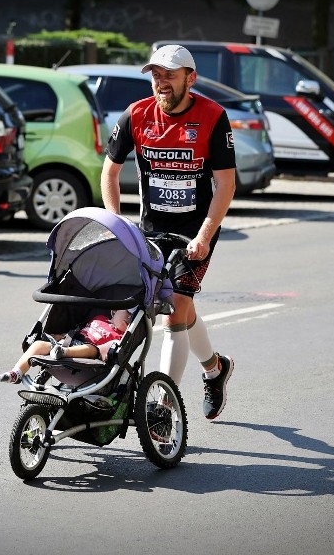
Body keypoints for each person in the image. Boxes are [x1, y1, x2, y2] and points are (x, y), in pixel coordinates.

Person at [99, 44, 236, 420]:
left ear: (190, 78)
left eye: (169, 75)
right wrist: (117, 224)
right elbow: (109, 172)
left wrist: (206, 234)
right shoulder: (136, 115)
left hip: (196, 231)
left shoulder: (212, 116)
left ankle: (162, 406)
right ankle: (215, 368)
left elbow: (225, 185)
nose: (161, 83)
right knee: (176, 306)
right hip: (150, 229)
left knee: (174, 308)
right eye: (156, 75)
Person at [0, 309, 133, 384]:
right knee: (39, 345)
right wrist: (61, 336)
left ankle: (63, 352)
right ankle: (16, 373)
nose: (129, 318)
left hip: (90, 353)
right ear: (114, 311)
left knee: (92, 350)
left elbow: (107, 352)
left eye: (132, 317)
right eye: (128, 313)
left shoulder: (120, 336)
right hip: (70, 342)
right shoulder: (99, 318)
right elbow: (79, 330)